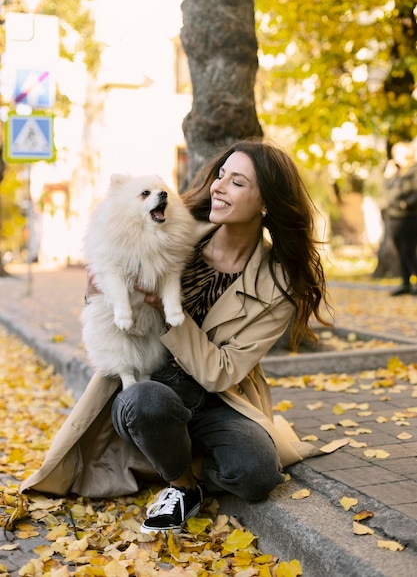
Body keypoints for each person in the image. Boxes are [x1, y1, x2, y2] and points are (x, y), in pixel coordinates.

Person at [20, 139, 331, 534]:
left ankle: (181, 456)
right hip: (148, 383)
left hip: (219, 397)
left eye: (237, 182)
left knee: (257, 475)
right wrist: (105, 285)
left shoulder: (277, 285)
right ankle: (181, 484)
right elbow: (104, 269)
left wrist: (169, 316)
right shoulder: (170, 229)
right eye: (220, 176)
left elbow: (222, 373)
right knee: (146, 402)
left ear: (265, 202)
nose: (218, 187)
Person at [384, 142, 417, 296]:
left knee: (408, 251)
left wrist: (407, 204)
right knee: (401, 252)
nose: (394, 155)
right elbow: (386, 193)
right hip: (394, 217)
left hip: (409, 216)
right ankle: (405, 283)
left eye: (398, 152)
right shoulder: (397, 173)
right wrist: (388, 176)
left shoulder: (413, 170)